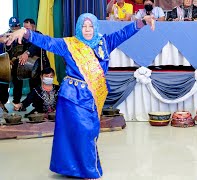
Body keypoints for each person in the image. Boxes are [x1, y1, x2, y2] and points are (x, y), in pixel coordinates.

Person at [5, 13, 154, 180]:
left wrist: (142, 22)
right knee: (80, 132)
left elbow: (123, 34)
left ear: (95, 27)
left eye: (90, 26)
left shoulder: (104, 42)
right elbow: (47, 42)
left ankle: (73, 168)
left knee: (89, 132)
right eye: (84, 26)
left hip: (93, 96)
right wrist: (25, 32)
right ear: (79, 28)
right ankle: (87, 171)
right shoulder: (69, 44)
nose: (88, 30)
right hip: (72, 98)